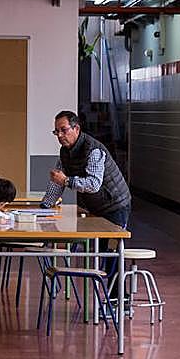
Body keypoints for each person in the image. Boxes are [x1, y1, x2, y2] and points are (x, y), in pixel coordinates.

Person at [42, 110, 131, 283]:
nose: (59, 135)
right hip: (96, 207)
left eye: (63, 130)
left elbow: (93, 184)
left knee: (112, 253)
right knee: (100, 251)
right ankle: (104, 296)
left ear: (76, 128)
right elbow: (56, 182)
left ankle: (118, 300)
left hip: (115, 205)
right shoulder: (65, 152)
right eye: (56, 132)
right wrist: (45, 205)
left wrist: (66, 180)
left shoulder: (93, 150)